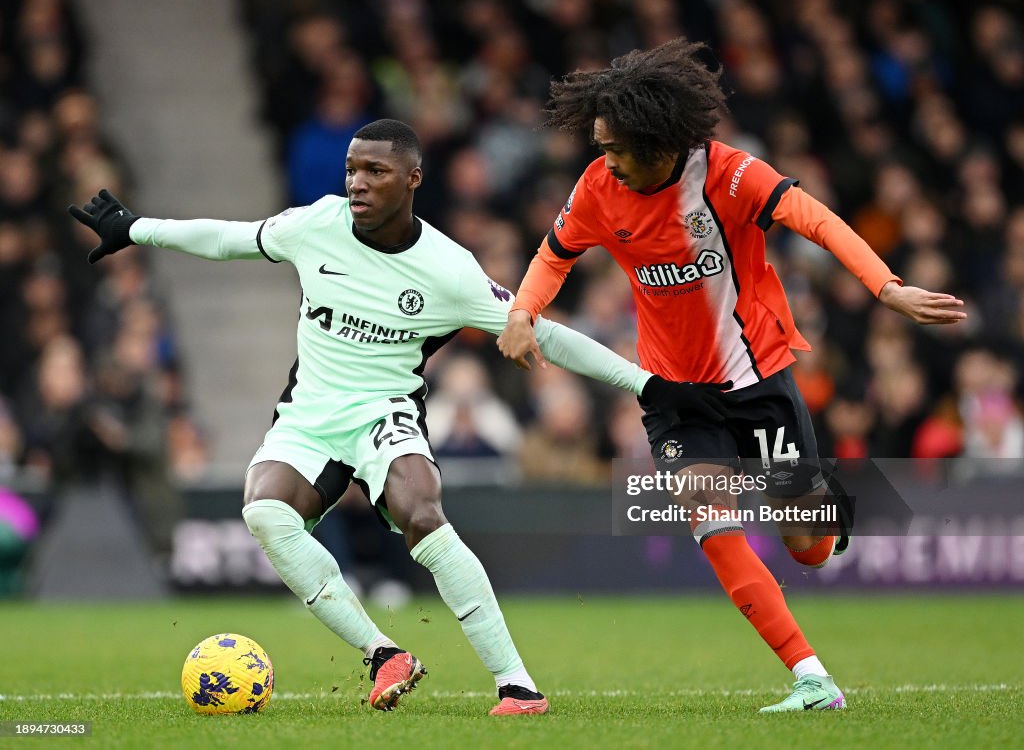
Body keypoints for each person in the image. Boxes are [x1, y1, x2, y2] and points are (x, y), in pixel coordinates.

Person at [69, 118, 713, 716]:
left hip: (385, 412)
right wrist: (136, 229)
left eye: (376, 171)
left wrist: (643, 382)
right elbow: (228, 239)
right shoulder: (314, 225)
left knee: (423, 516)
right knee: (265, 513)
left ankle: (516, 684)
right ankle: (384, 653)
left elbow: (539, 329)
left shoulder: (448, 270)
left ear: (413, 180)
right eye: (352, 169)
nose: (357, 183)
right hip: (311, 412)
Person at [497, 39, 967, 713]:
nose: (606, 161)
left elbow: (819, 221)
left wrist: (885, 287)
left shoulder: (728, 176)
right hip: (674, 395)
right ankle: (812, 678)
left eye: (617, 148)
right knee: (708, 518)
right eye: (599, 147)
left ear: (659, 140)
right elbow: (553, 254)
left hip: (757, 383)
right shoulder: (600, 188)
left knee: (808, 547)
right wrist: (521, 312)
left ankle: (825, 500)